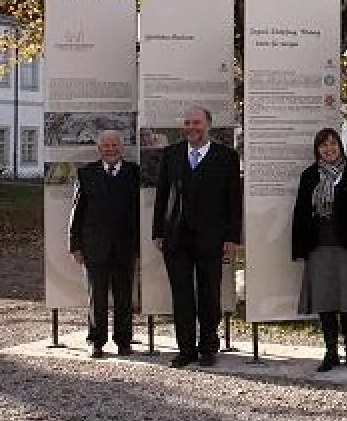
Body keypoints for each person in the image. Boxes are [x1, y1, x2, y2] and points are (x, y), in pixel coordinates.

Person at [152, 106, 241, 368]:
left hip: (211, 238)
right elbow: (161, 195)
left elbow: (233, 201)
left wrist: (231, 236)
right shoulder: (172, 154)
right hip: (175, 238)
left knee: (209, 295)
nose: (192, 127)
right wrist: (158, 231)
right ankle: (186, 349)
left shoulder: (226, 157)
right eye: (188, 122)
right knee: (181, 296)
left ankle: (208, 347)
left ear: (208, 126)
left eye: (197, 122)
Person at [292, 128, 347, 372]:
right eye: (323, 145)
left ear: (340, 146)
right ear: (317, 150)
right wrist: (299, 247)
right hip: (319, 245)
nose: (329, 149)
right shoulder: (309, 175)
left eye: (333, 144)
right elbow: (300, 211)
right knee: (325, 299)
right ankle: (331, 351)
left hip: (346, 245)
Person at [68, 129, 140, 359]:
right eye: (106, 146)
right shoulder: (86, 174)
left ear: (121, 148)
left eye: (114, 146)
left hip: (124, 246)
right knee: (96, 297)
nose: (110, 150)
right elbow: (77, 212)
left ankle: (124, 341)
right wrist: (75, 244)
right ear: (99, 150)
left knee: (124, 296)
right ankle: (95, 341)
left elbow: (138, 212)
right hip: (94, 245)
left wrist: (139, 245)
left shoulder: (133, 173)